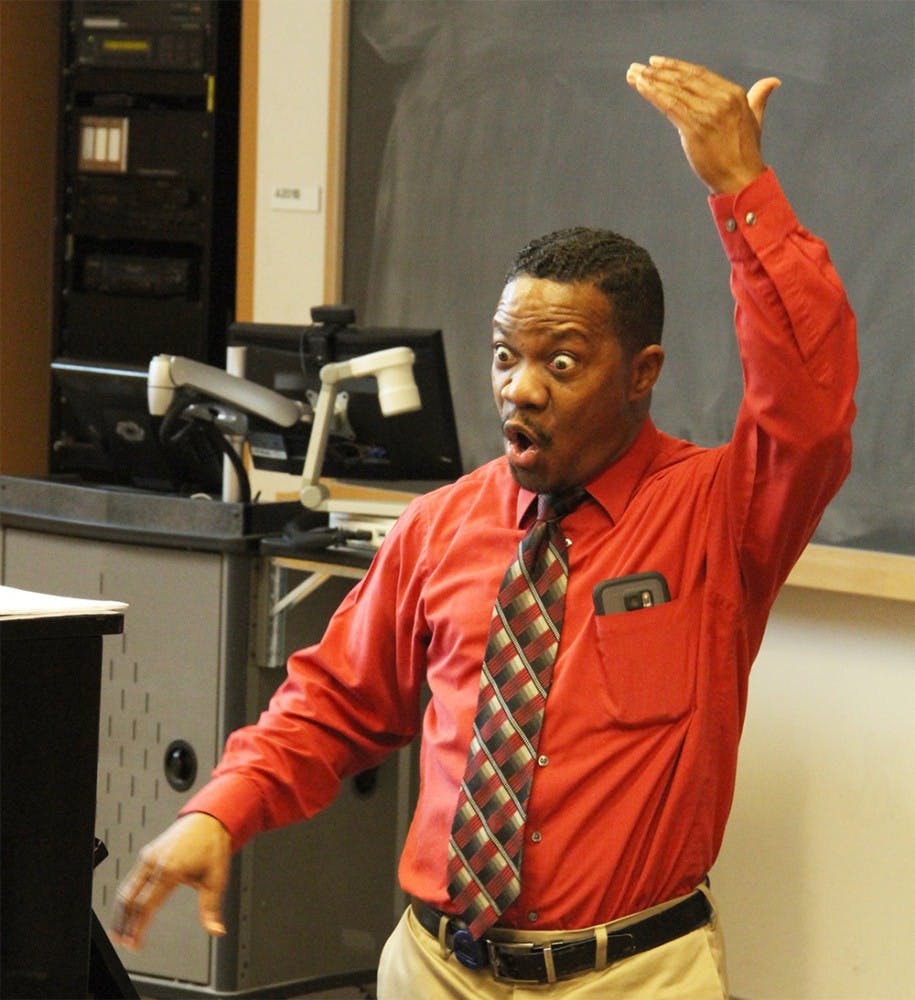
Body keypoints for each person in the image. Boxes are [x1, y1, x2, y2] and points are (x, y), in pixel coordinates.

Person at [112, 56, 857, 998]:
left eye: (563, 359)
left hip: (627, 978)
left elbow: (812, 406)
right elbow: (334, 701)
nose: (520, 386)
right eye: (506, 355)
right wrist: (223, 811)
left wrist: (743, 193)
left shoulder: (717, 514)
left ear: (641, 372)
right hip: (436, 971)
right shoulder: (441, 526)